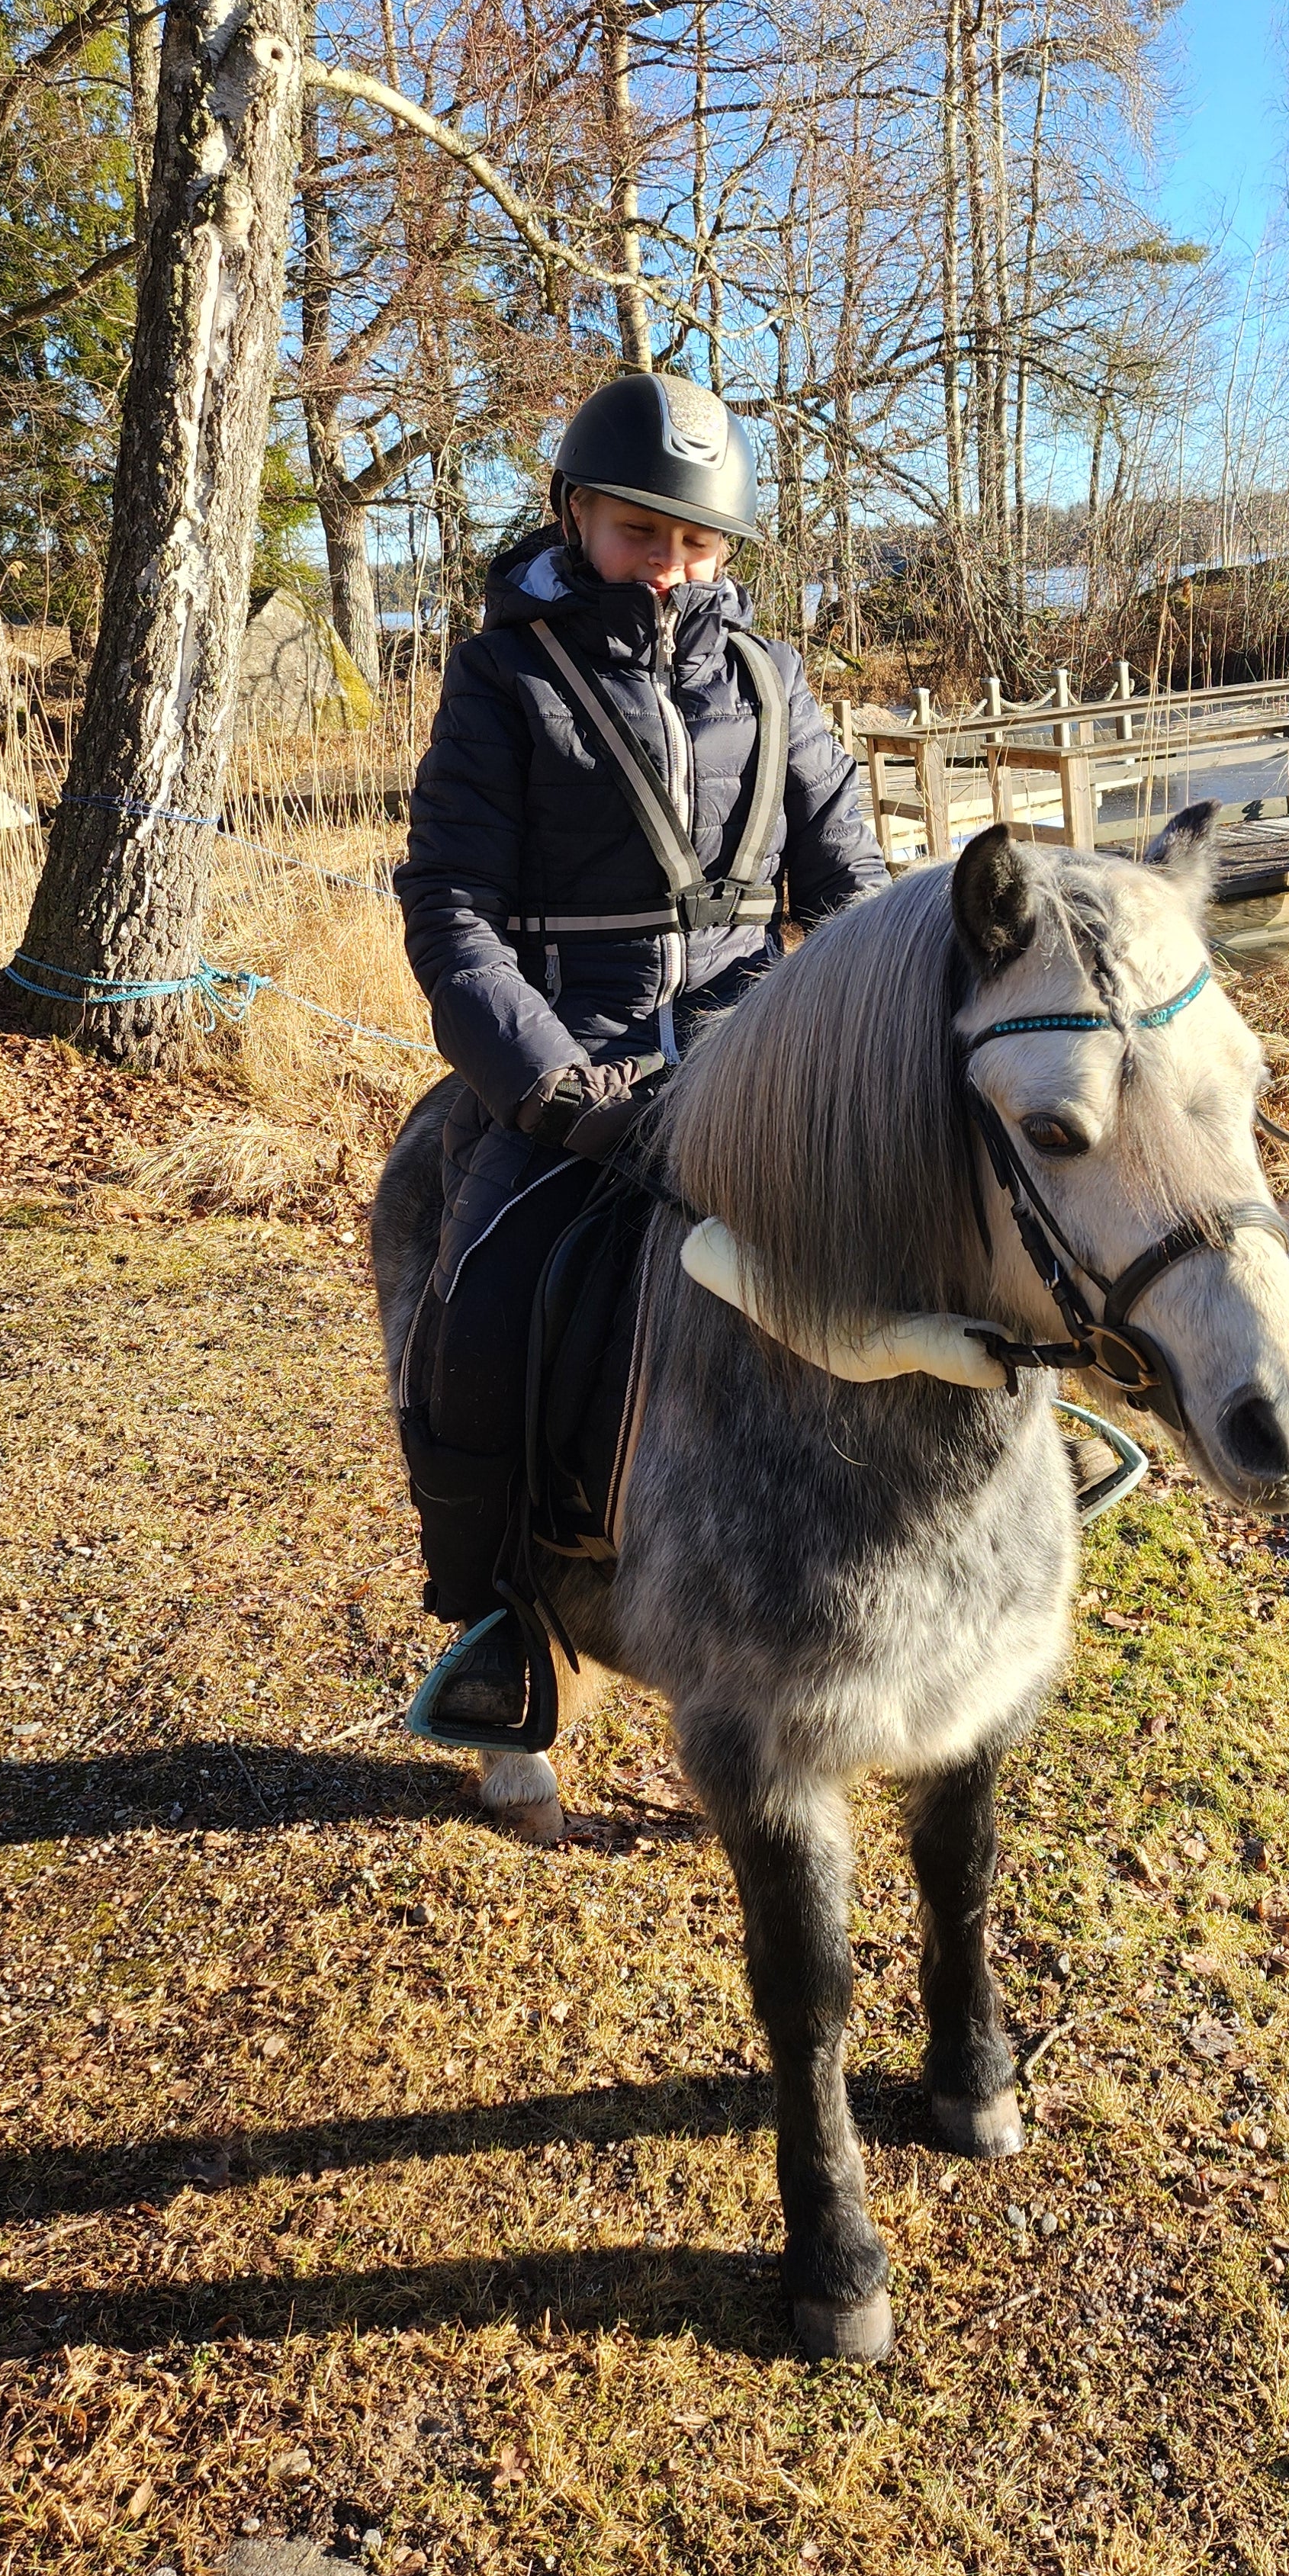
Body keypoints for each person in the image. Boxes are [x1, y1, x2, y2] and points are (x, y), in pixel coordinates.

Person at [392, 369, 887, 1729]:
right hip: (573, 1065)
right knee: (479, 1300)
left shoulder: (773, 683)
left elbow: (853, 889)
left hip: (755, 1057)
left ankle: (1007, 1464)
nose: (669, 565)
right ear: (574, 516)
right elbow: (452, 909)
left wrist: (849, 1050)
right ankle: (498, 1608)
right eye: (638, 533)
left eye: (696, 541)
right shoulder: (500, 679)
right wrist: (550, 1084)